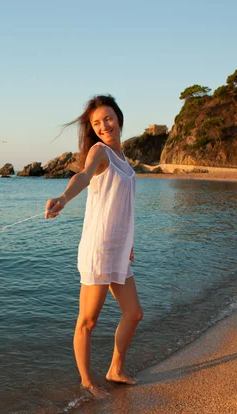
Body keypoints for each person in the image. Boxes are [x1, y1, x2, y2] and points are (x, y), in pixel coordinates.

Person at [45, 95, 143, 399]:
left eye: (108, 118)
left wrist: (128, 244)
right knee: (87, 321)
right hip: (98, 249)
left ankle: (115, 369)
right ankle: (87, 382)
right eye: (96, 123)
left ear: (119, 118)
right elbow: (83, 176)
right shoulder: (99, 152)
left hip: (117, 250)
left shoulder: (123, 158)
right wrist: (63, 198)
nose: (104, 126)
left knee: (134, 313)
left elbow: (123, 207)